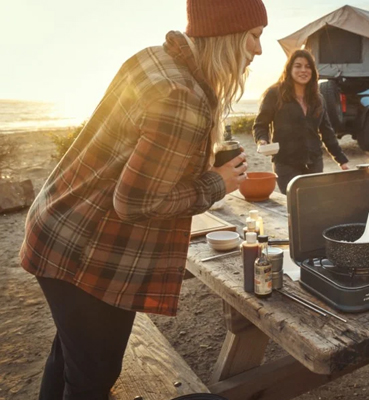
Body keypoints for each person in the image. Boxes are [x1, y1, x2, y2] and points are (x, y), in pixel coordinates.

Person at [19, 0, 267, 398]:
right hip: (89, 253)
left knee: (70, 359)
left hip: (58, 225)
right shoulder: (182, 96)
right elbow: (135, 203)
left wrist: (210, 151)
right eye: (254, 36)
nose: (258, 50)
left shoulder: (155, 59)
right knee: (92, 376)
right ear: (227, 35)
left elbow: (142, 152)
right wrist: (216, 183)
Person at [253, 49, 350, 195]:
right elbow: (260, 124)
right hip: (286, 163)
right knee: (293, 205)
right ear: (289, 69)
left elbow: (327, 132)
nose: (303, 70)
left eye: (308, 66)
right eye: (298, 66)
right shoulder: (275, 94)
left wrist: (342, 160)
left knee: (314, 203)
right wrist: (262, 141)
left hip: (314, 162)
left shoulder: (318, 99)